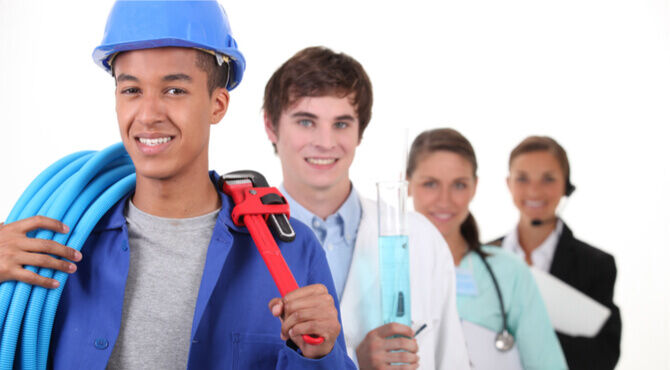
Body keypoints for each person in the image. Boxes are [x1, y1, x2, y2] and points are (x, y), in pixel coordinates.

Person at [0, 1, 355, 368]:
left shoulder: (292, 253)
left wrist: (322, 356)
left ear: (217, 105)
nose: (149, 115)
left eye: (174, 90)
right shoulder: (54, 245)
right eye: (132, 90)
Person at [262, 46, 470, 369]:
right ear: (271, 126)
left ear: (360, 132)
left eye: (342, 124)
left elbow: (451, 361)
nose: (326, 142)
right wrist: (349, 364)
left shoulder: (419, 239)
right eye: (306, 122)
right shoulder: (238, 242)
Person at [406, 128, 567, 369]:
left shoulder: (509, 272)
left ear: (474, 187)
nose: (444, 200)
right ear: (407, 184)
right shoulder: (380, 267)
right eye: (430, 184)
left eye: (459, 185)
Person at [490, 135, 621, 370]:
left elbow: (603, 356)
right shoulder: (482, 256)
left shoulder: (596, 264)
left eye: (548, 179)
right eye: (522, 178)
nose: (534, 190)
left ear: (566, 186)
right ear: (508, 184)